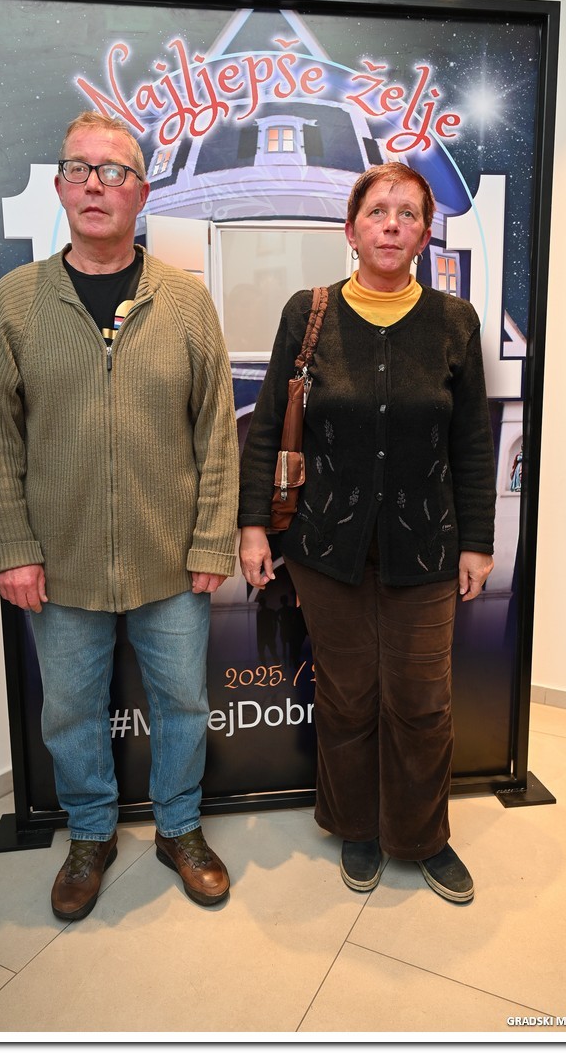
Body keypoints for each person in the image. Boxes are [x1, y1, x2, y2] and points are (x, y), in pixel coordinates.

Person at [0, 111, 239, 919]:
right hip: (59, 561)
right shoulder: (17, 301)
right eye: (79, 169)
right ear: (60, 187)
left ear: (141, 193)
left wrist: (212, 540)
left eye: (114, 171)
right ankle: (90, 833)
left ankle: (179, 826)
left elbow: (217, 430)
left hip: (170, 558)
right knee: (69, 711)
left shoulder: (185, 300)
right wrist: (13, 547)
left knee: (183, 702)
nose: (95, 185)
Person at [238, 163, 495, 903]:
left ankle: (422, 835)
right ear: (351, 230)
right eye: (378, 211)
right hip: (326, 549)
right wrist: (254, 528)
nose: (391, 224)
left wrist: (477, 541)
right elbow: (267, 431)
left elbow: (472, 442)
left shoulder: (454, 322)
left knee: (423, 702)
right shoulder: (308, 312)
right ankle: (354, 825)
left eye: (408, 213)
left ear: (424, 233)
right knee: (348, 697)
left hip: (427, 548)